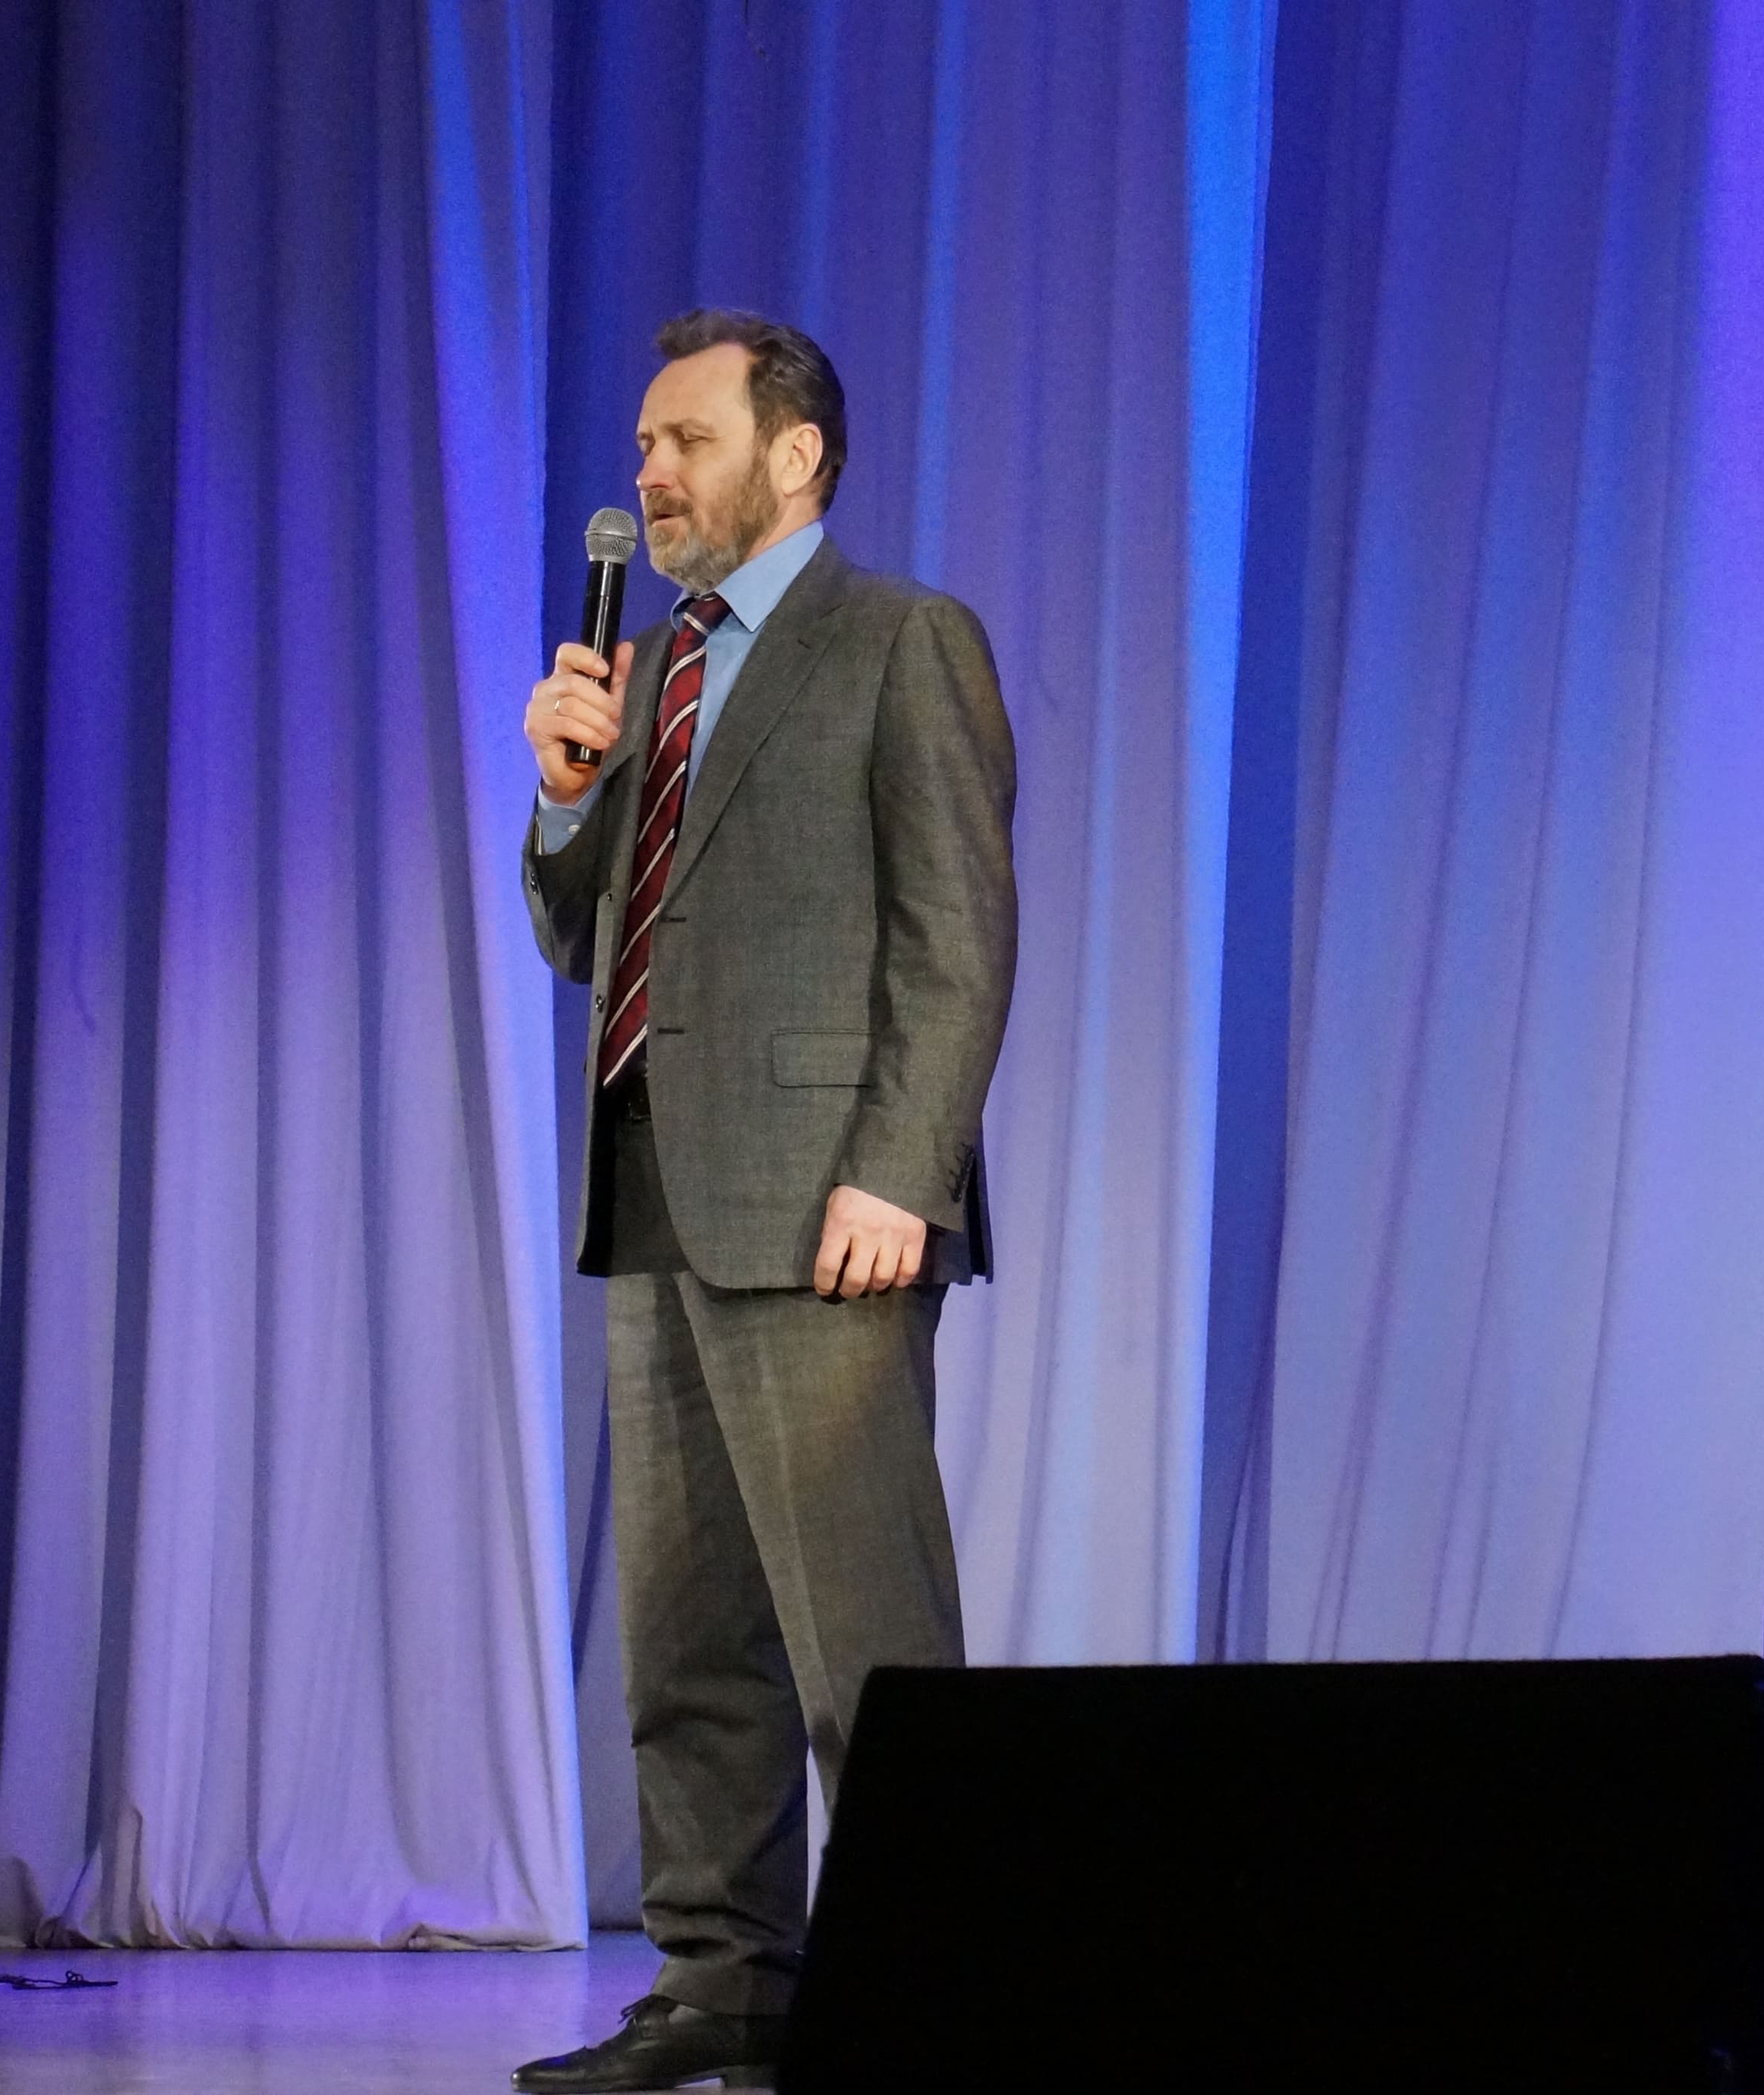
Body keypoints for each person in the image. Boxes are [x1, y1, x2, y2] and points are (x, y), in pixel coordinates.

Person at [511, 310, 1016, 2093]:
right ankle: (720, 1981)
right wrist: (561, 797)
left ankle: (935, 1990)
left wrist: (899, 1170)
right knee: (687, 1637)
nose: (650, 473)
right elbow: (579, 937)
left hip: (827, 1210)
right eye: (644, 446)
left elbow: (956, 936)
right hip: (654, 1190)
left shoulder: (899, 641)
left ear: (792, 455)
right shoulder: (645, 669)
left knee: (860, 1632)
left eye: (687, 440)